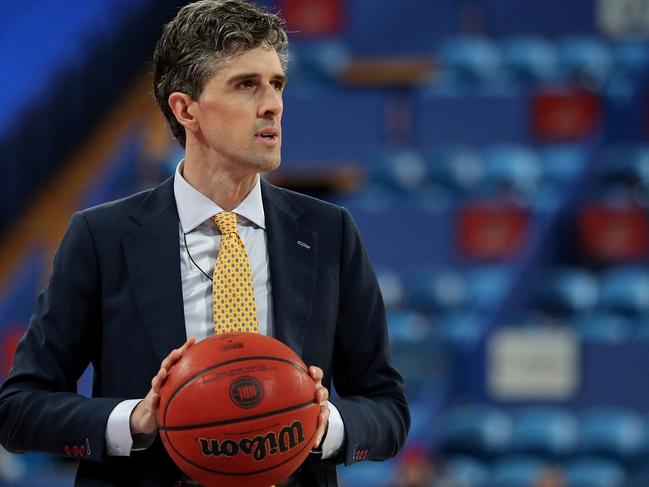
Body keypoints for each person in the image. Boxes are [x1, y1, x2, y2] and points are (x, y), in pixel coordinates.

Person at [0, 0, 410, 486]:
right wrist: (136, 419)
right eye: (246, 85)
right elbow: (20, 408)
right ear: (186, 109)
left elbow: (387, 407)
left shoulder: (329, 232)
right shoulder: (101, 237)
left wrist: (326, 424)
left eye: (277, 84)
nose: (273, 103)